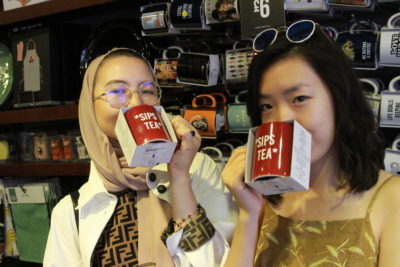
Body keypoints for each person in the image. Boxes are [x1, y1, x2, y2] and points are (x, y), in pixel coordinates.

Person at [222, 20, 400, 267]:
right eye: (267, 106)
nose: (283, 119)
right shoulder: (262, 197)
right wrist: (248, 214)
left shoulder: (392, 199)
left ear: (338, 97)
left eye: (299, 98)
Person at [43, 48, 238, 267]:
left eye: (147, 90)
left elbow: (225, 262)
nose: (137, 103)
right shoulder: (71, 212)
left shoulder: (198, 169)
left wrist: (179, 177)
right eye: (117, 92)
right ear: (90, 106)